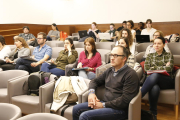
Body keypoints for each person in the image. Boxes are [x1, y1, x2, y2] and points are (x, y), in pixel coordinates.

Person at [73, 45, 140, 120]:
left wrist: (103, 105)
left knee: (85, 116)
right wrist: (91, 93)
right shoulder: (110, 70)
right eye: (111, 55)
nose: (111, 58)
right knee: (76, 109)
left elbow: (125, 100)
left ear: (124, 58)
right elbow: (94, 81)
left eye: (115, 55)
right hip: (105, 103)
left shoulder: (130, 74)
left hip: (119, 109)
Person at [141, 37, 174, 120]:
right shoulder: (150, 55)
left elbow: (169, 68)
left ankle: (139, 96)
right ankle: (153, 114)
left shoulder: (169, 55)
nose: (156, 45)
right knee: (154, 87)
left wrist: (154, 68)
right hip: (152, 82)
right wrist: (163, 67)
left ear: (164, 44)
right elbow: (146, 69)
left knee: (155, 75)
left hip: (166, 81)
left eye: (159, 43)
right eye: (155, 43)